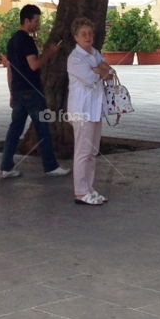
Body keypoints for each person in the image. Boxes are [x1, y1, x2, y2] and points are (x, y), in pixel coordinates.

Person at [0, 5, 69, 180]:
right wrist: (50, 53)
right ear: (27, 20)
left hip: (17, 91)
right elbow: (34, 65)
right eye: (36, 20)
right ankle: (50, 166)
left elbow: (10, 70)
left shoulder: (12, 41)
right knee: (43, 129)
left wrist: (11, 93)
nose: (38, 24)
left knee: (14, 130)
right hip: (32, 91)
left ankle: (6, 167)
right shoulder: (27, 41)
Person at [67, 16, 115, 206]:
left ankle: (89, 188)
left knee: (93, 152)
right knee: (83, 152)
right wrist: (99, 70)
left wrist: (98, 69)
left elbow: (109, 72)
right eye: (83, 34)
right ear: (76, 37)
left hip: (95, 110)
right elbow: (91, 78)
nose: (88, 37)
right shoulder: (75, 58)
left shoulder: (94, 52)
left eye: (90, 33)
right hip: (82, 111)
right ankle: (80, 192)